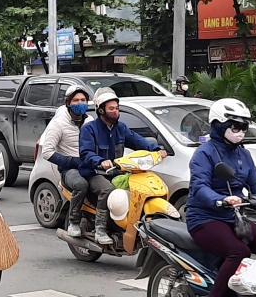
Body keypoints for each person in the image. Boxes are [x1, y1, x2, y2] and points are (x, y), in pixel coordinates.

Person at [186, 98, 256, 297]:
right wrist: (220, 199)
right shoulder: (204, 153)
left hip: (234, 216)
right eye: (235, 126)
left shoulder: (244, 155)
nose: (240, 132)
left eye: (244, 127)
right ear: (219, 126)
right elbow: (199, 187)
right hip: (204, 217)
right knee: (238, 250)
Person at [79, 88, 166, 245]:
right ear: (101, 110)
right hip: (94, 173)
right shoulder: (89, 129)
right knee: (108, 190)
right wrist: (100, 161)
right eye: (111, 109)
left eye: (117, 108)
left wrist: (157, 149)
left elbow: (138, 140)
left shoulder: (121, 128)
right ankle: (100, 230)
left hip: (116, 172)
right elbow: (86, 153)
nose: (115, 111)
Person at [41, 85, 90, 237]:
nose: (80, 103)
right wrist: (73, 162)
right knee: (81, 185)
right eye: (76, 100)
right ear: (68, 103)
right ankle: (74, 221)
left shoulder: (91, 121)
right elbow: (47, 152)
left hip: (91, 165)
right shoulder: (58, 124)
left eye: (83, 100)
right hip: (70, 170)